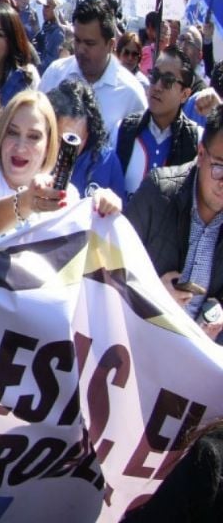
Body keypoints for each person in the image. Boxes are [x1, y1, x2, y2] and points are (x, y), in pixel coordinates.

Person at [127, 107, 223, 339]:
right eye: (219, 168)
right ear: (200, 154)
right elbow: (109, 271)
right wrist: (153, 296)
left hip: (200, 357)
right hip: (138, 339)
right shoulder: (157, 193)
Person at [0, 91, 122, 235]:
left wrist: (101, 209)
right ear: (1, 134)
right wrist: (28, 201)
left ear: (49, 144)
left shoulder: (65, 194)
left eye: (33, 137)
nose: (20, 147)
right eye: (12, 132)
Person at [40, 0, 148, 140]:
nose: (81, 49)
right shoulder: (55, 73)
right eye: (77, 40)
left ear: (110, 45)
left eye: (90, 43)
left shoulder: (131, 94)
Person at [115, 48, 200, 197]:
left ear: (185, 95)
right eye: (155, 76)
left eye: (168, 81)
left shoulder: (195, 139)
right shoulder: (124, 129)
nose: (157, 86)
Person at [46, 79, 126, 199]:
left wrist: (111, 204)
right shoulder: (33, 153)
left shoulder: (106, 160)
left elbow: (120, 213)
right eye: (59, 139)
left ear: (89, 135)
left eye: (73, 141)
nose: (66, 150)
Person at [34, 0, 66, 69]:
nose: (43, 10)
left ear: (56, 10)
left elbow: (50, 64)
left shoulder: (58, 33)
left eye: (47, 7)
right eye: (43, 7)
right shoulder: (47, 27)